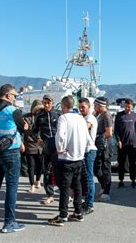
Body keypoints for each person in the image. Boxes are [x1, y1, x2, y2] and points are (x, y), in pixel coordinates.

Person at [0, 84, 26, 233]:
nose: (15, 98)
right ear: (8, 96)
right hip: (11, 152)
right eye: (14, 95)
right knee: (11, 186)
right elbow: (23, 128)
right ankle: (9, 222)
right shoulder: (12, 111)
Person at [48, 95, 92, 226]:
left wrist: (59, 148)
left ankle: (63, 215)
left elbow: (60, 135)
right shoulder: (80, 118)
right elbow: (86, 136)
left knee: (65, 187)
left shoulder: (63, 118)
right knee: (77, 185)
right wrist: (85, 148)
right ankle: (78, 212)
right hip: (79, 157)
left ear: (63, 106)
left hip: (66, 158)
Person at [32, 94, 60, 204]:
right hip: (46, 147)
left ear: (52, 103)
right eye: (44, 103)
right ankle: (50, 194)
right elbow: (34, 130)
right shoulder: (39, 116)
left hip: (59, 146)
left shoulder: (58, 114)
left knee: (60, 171)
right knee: (47, 171)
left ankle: (65, 194)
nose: (46, 105)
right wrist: (37, 139)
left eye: (48, 103)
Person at [78, 97, 97, 214]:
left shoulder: (90, 118)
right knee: (84, 178)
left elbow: (85, 128)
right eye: (80, 107)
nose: (81, 109)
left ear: (89, 107)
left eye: (83, 107)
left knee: (89, 178)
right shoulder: (83, 118)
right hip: (83, 151)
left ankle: (90, 204)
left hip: (89, 151)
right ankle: (86, 200)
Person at [114, 98, 136, 188]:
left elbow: (135, 130)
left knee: (132, 163)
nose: (128, 108)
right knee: (121, 163)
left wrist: (135, 142)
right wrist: (118, 140)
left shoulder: (134, 116)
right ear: (124, 106)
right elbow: (116, 130)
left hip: (132, 144)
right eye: (127, 107)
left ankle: (133, 180)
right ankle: (121, 180)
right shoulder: (119, 115)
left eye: (130, 107)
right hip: (122, 143)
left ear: (132, 107)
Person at [93, 97, 114, 202]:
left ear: (101, 106)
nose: (94, 107)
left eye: (95, 105)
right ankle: (103, 186)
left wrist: (98, 137)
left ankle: (107, 192)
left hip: (105, 145)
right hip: (99, 145)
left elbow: (109, 133)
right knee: (96, 168)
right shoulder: (100, 115)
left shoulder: (106, 116)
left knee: (106, 168)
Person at [23, 100, 43, 193]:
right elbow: (26, 130)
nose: (39, 111)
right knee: (31, 166)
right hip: (30, 145)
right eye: (37, 109)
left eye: (40, 109)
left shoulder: (43, 117)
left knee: (40, 165)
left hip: (41, 145)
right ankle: (31, 185)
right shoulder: (27, 117)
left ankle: (38, 180)